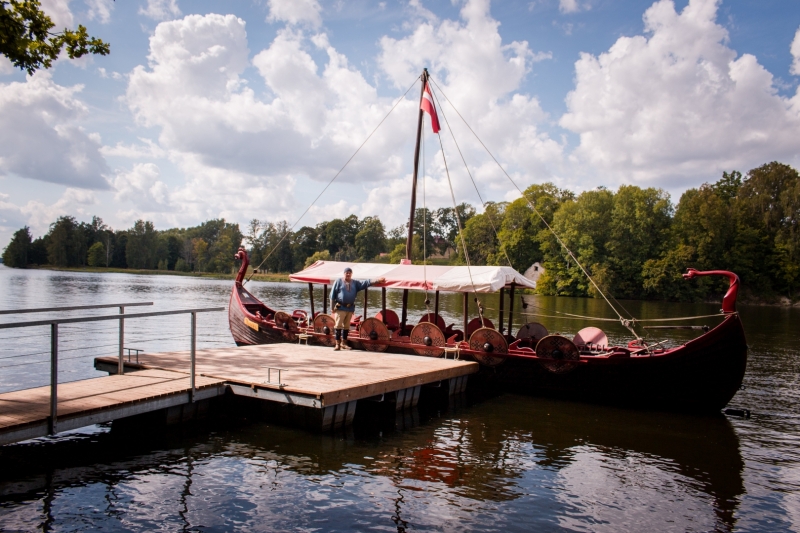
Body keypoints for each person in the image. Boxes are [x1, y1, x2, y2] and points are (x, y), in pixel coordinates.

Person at [330, 267, 385, 351]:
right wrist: (332, 307)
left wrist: (377, 280)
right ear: (344, 273)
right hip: (340, 307)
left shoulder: (355, 283)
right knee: (338, 326)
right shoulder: (338, 281)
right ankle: (337, 344)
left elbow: (365, 283)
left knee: (346, 327)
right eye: (346, 272)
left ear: (351, 274)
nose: (348, 274)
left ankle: (344, 343)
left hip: (349, 308)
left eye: (349, 273)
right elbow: (332, 295)